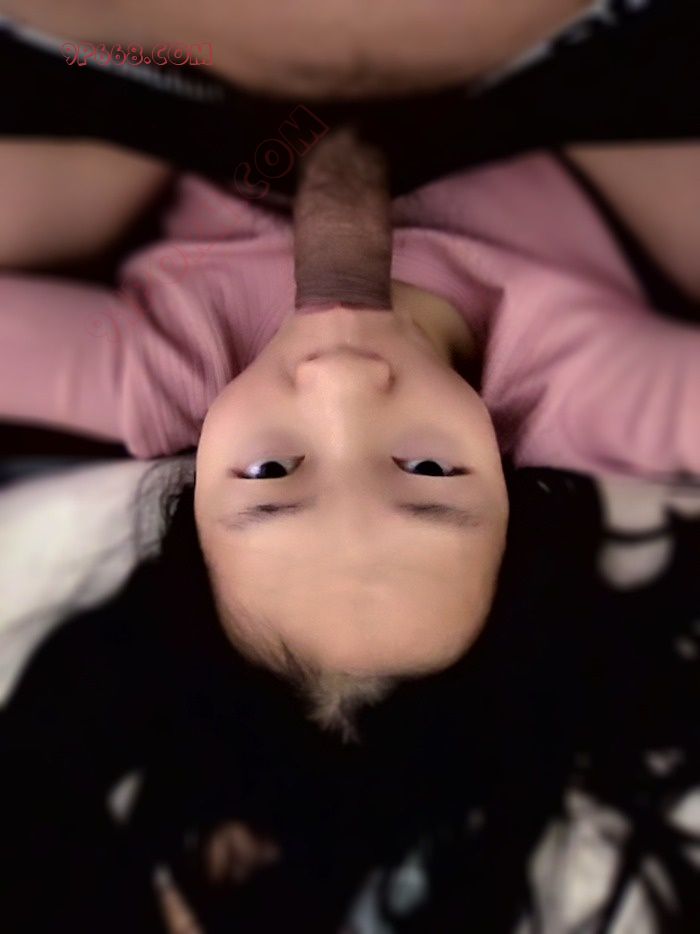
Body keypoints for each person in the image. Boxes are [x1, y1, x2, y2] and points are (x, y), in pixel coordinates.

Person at [0, 131, 698, 734]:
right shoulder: (572, 390)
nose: (341, 383)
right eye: (428, 469)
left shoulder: (163, 375)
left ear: (192, 487)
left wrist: (185, 108)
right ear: (511, 484)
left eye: (270, 472)